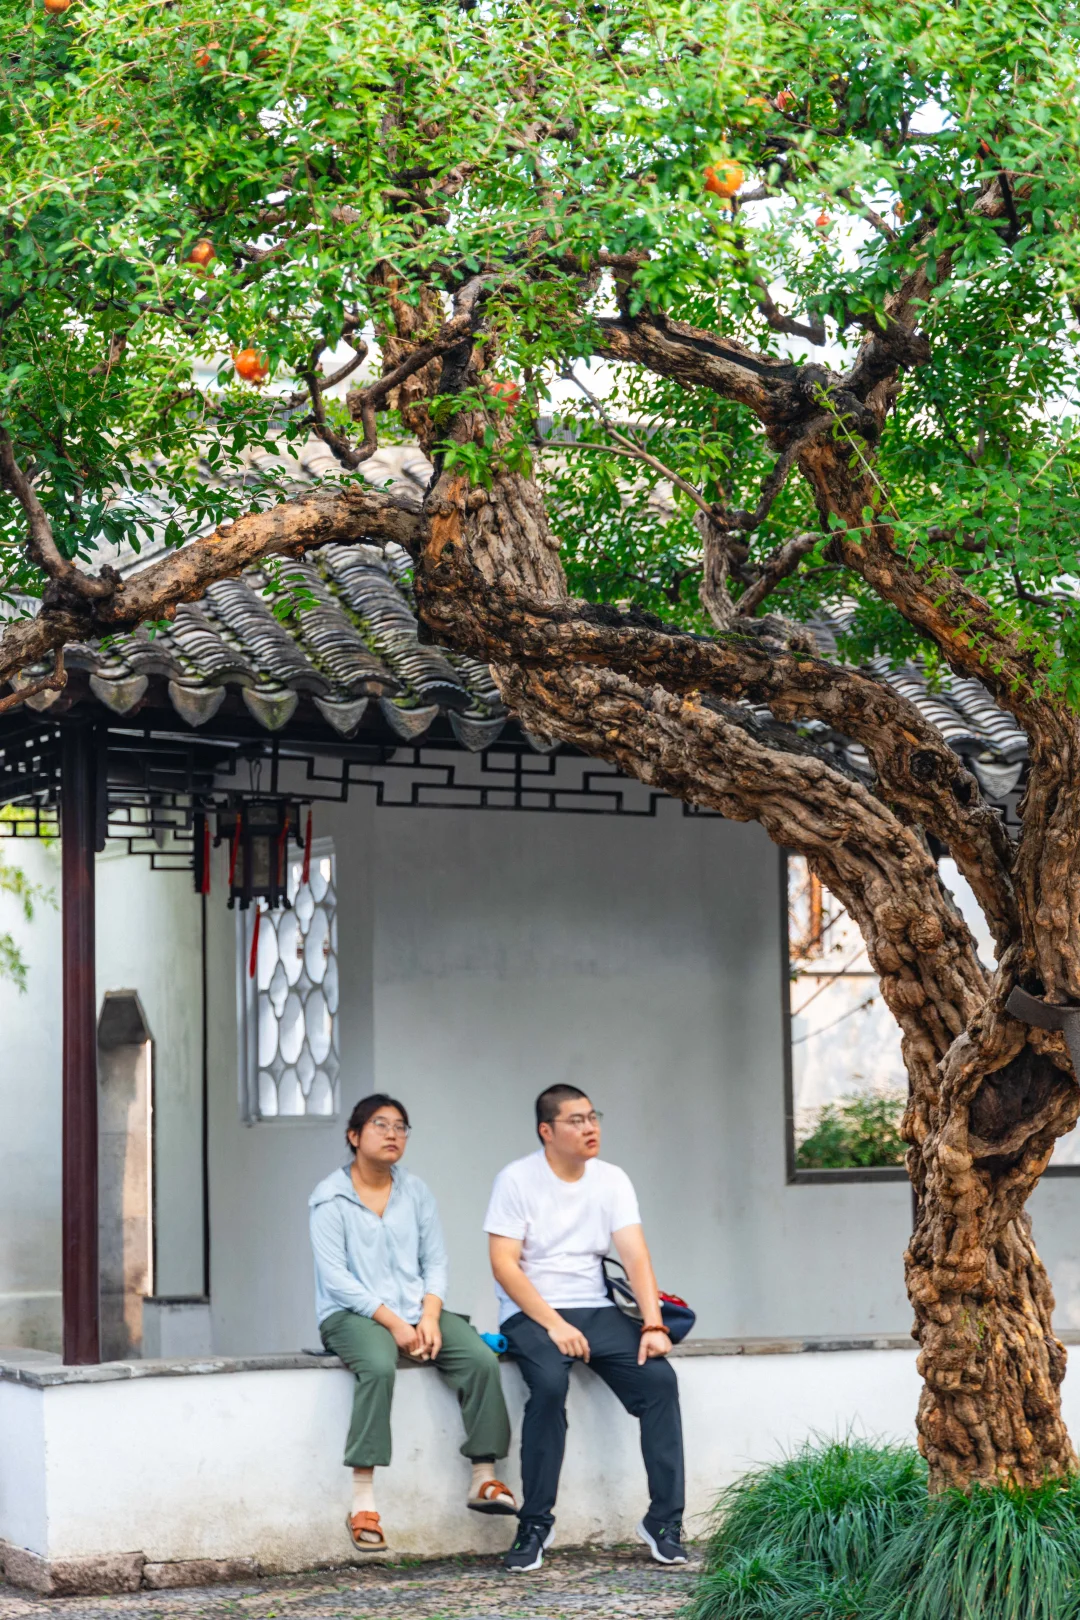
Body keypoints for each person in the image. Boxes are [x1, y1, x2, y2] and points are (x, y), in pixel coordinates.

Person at [484, 1084, 685, 1574]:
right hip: (532, 1312)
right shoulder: (517, 1179)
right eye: (576, 1120)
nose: (590, 1127)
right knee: (549, 1386)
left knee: (659, 1381)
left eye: (593, 1117)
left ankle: (663, 1522)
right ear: (546, 1131)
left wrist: (653, 1325)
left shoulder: (612, 1179)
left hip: (596, 1308)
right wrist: (553, 1325)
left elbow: (635, 1255)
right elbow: (504, 1264)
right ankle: (535, 1524)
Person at [310, 1093, 517, 1551]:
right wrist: (396, 1325)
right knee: (378, 1366)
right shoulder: (329, 1198)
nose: (393, 1134)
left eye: (400, 1127)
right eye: (380, 1125)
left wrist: (430, 1316)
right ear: (354, 1136)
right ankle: (363, 1500)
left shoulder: (416, 1192)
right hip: (351, 1314)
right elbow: (337, 1279)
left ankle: (483, 1477)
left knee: (480, 1359)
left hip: (417, 1310)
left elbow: (435, 1261)